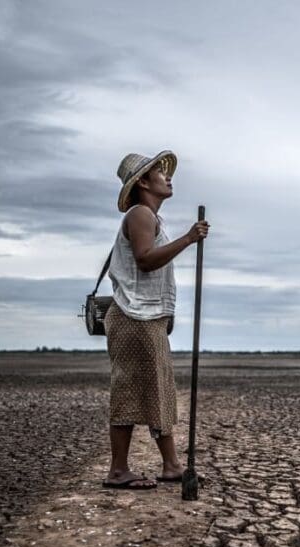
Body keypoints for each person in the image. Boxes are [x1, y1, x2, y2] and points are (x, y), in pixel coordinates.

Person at [102, 150, 209, 490]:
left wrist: (166, 315)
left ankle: (171, 464)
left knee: (157, 389)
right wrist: (189, 239)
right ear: (144, 182)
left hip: (146, 317)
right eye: (160, 173)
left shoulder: (150, 218)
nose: (168, 176)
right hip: (134, 316)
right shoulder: (140, 214)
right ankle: (119, 470)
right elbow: (146, 260)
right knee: (131, 389)